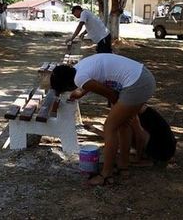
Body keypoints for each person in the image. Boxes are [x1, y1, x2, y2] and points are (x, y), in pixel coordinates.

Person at [50, 53, 156, 185]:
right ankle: (124, 166)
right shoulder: (78, 68)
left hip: (136, 84)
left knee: (110, 127)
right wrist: (80, 93)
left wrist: (116, 109)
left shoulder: (79, 78)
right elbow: (92, 82)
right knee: (122, 125)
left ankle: (106, 174)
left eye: (65, 89)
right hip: (142, 77)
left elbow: (111, 94)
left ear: (67, 84)